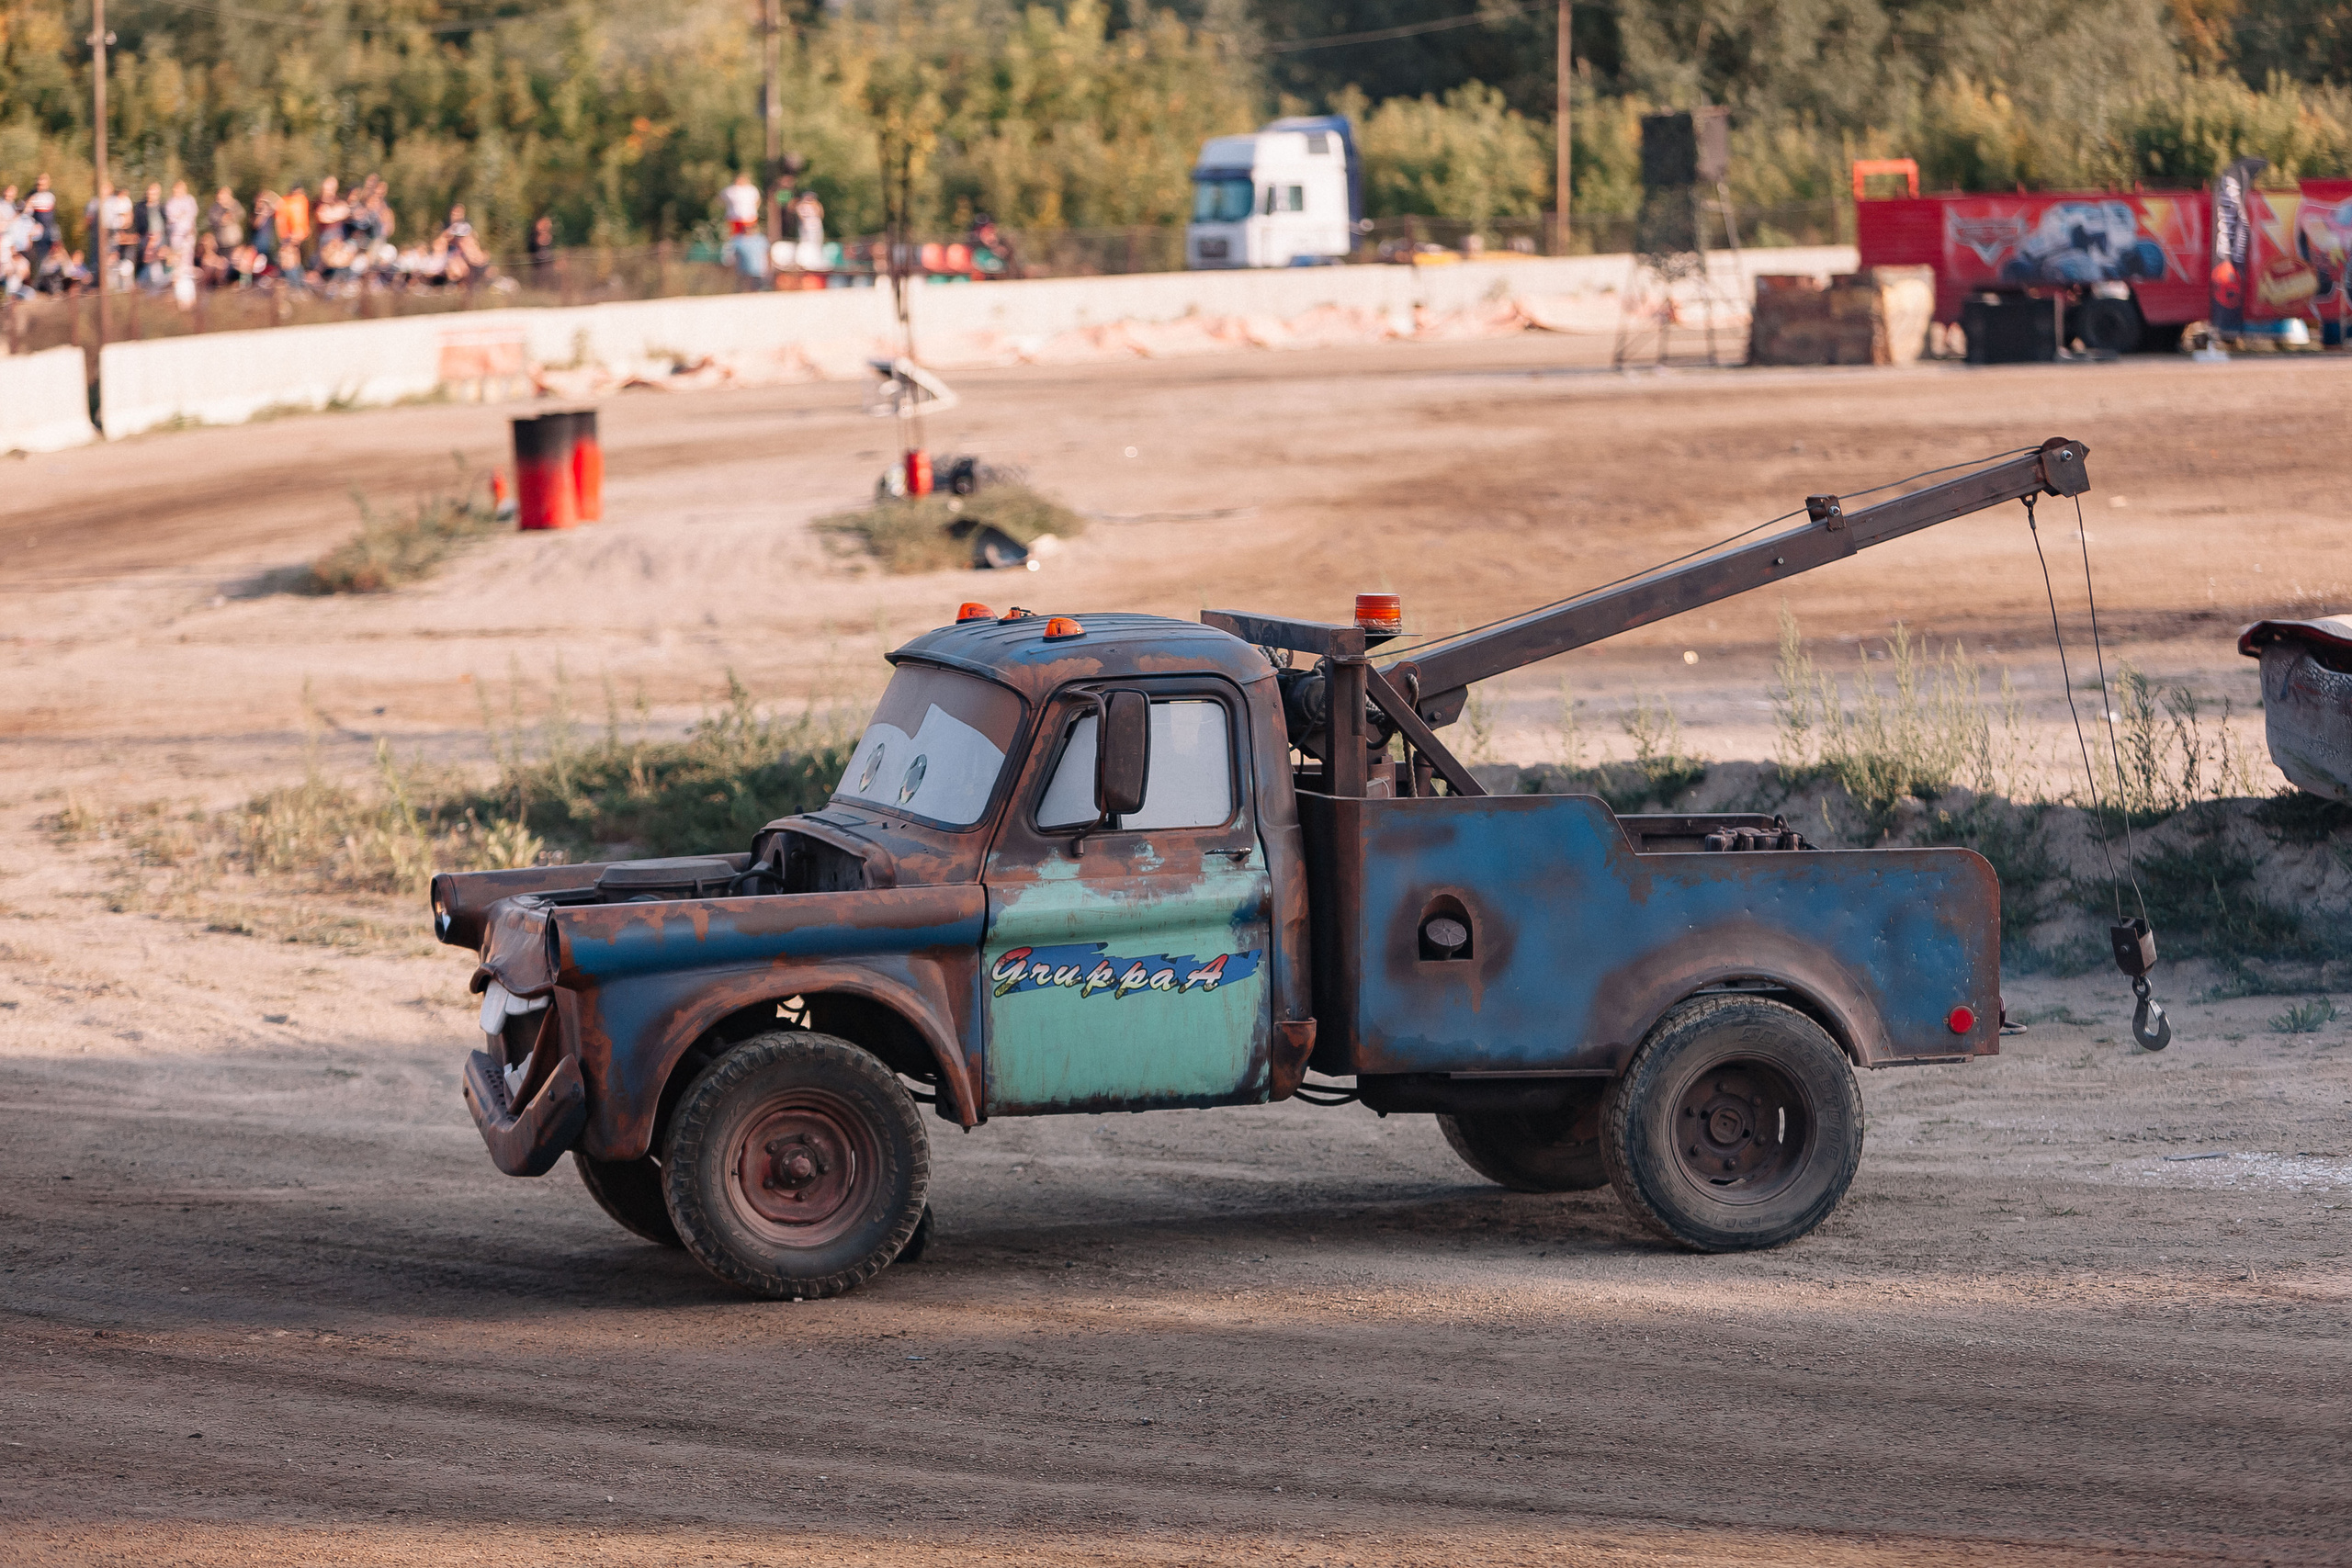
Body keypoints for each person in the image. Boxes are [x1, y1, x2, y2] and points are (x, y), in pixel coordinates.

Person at [721, 170, 765, 288]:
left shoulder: (751, 190)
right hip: (735, 219)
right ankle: (730, 257)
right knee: (735, 240)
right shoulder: (731, 190)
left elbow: (757, 201)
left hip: (748, 218)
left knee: (751, 240)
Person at [791, 188, 825, 273]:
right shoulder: (802, 205)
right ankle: (806, 261)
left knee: (816, 243)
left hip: (814, 225)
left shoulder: (815, 205)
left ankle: (815, 261)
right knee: (806, 243)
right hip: (808, 226)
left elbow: (820, 214)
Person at [526, 213, 555, 281]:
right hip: (537, 265)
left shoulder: (549, 236)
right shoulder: (534, 236)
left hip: (547, 264)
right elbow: (532, 247)